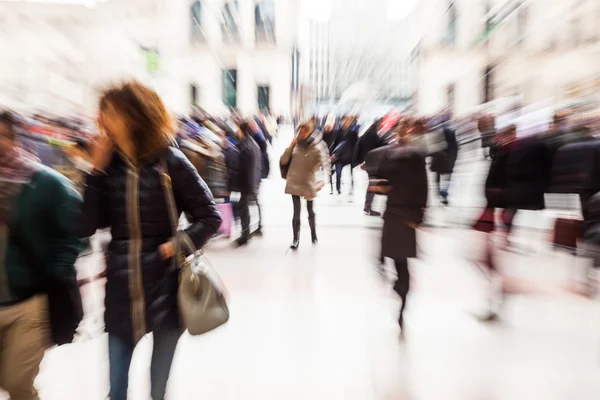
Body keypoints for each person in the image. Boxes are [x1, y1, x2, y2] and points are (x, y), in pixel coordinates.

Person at [80, 82, 222, 400]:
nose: (101, 120)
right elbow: (86, 226)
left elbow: (210, 217)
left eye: (109, 113)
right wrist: (95, 172)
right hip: (121, 289)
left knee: (158, 389)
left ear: (134, 116)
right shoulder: (108, 167)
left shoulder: (169, 161)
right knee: (116, 390)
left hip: (166, 286)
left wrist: (177, 245)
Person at [0, 110, 84, 399]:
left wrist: (57, 269)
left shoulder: (46, 184)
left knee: (18, 383)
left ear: (12, 139)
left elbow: (77, 230)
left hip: (28, 302)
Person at [364, 122, 428, 336]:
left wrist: (381, 187)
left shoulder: (391, 155)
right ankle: (401, 302)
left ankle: (399, 295)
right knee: (401, 263)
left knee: (391, 258)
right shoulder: (414, 156)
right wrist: (419, 216)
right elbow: (422, 187)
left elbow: (380, 184)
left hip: (395, 213)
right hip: (404, 215)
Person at [280, 121, 330, 250]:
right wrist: (291, 146)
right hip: (294, 180)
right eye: (299, 131)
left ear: (309, 131)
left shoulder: (317, 146)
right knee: (296, 212)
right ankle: (296, 239)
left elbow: (324, 165)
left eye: (303, 131)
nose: (300, 134)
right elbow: (283, 160)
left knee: (310, 211)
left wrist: (321, 180)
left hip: (308, 182)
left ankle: (314, 235)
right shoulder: (295, 144)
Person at [233, 122, 262, 246]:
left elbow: (244, 168)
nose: (236, 132)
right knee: (248, 205)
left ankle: (245, 235)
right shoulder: (252, 144)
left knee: (243, 208)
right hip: (252, 182)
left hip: (247, 183)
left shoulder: (246, 147)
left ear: (242, 130)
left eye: (238, 129)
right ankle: (256, 228)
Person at [353, 119, 386, 216]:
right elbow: (379, 150)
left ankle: (368, 207)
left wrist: (359, 162)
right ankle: (368, 207)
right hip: (374, 164)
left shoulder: (365, 136)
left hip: (367, 164)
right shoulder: (375, 137)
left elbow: (357, 148)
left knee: (372, 184)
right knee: (373, 185)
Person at [331, 116, 359, 196]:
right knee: (338, 173)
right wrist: (332, 154)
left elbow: (356, 145)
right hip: (339, 156)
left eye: (347, 121)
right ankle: (338, 189)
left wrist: (356, 156)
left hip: (350, 156)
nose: (345, 122)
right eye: (344, 121)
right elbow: (334, 144)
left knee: (351, 174)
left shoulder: (353, 133)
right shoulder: (337, 132)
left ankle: (352, 188)